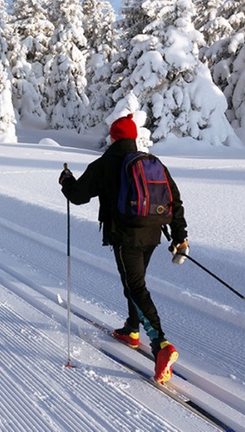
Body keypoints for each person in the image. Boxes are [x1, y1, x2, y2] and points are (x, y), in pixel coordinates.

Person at [59, 114, 189, 384]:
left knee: (135, 287)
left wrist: (66, 180)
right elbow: (174, 201)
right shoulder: (152, 163)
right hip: (153, 234)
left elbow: (78, 195)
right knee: (135, 282)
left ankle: (161, 345)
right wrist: (180, 237)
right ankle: (132, 329)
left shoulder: (106, 164)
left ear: (113, 137)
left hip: (124, 235)